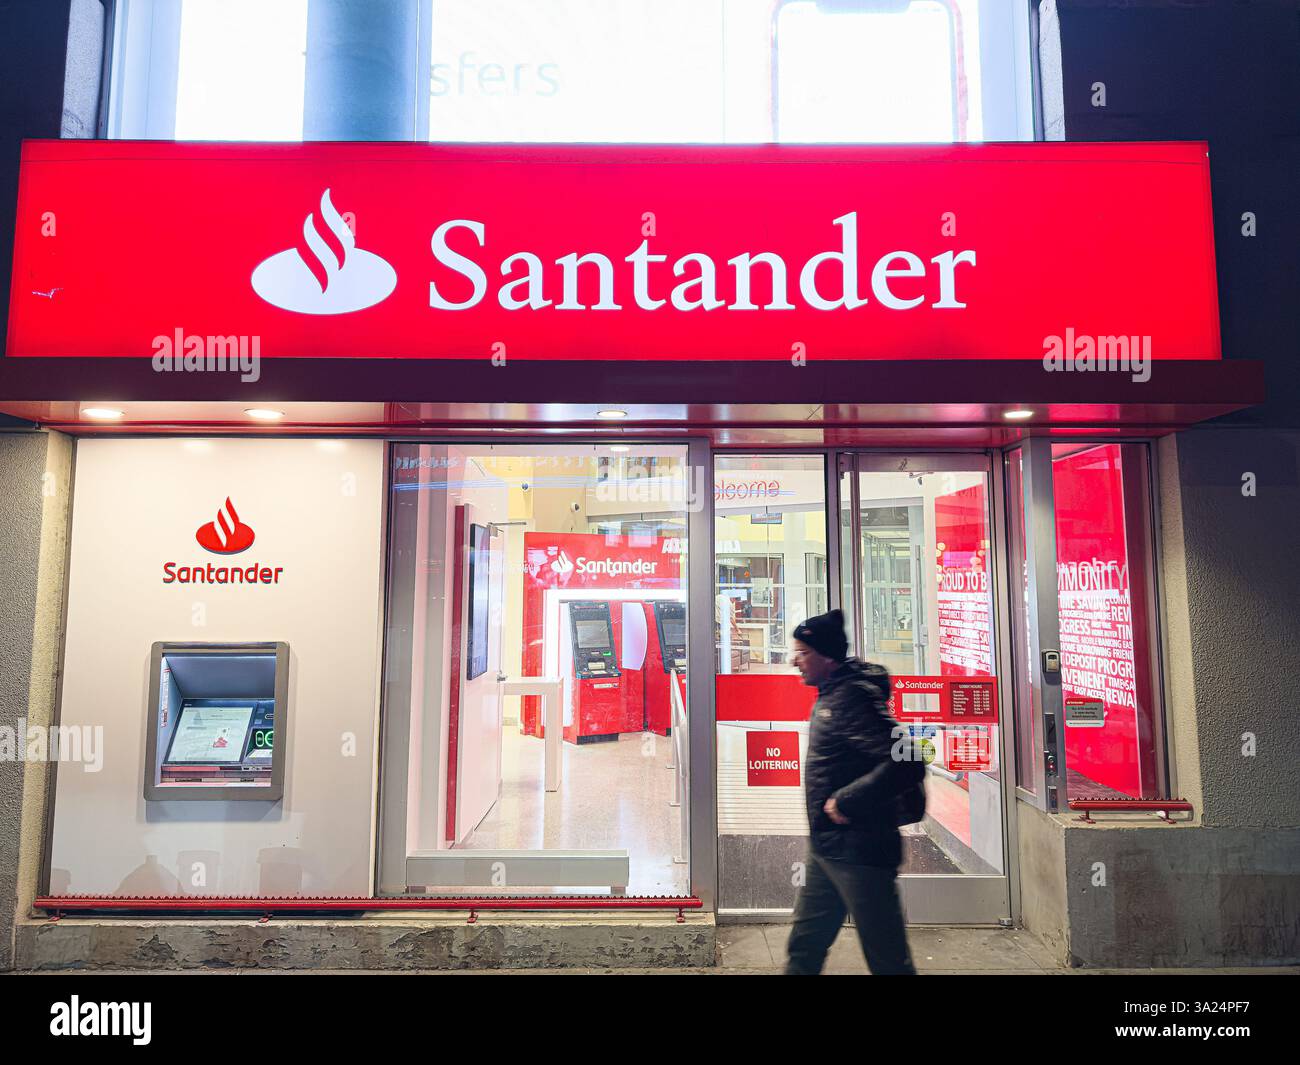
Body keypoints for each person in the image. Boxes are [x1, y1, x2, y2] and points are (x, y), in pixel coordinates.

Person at [784, 608, 917, 975]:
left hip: (861, 853)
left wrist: (847, 800)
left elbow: (908, 760)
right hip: (827, 849)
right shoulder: (832, 695)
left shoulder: (852, 699)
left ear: (827, 656)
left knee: (887, 958)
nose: (795, 661)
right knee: (804, 946)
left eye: (804, 653)